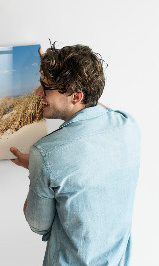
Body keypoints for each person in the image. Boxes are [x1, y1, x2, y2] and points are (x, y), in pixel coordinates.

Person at [10, 43, 141, 265]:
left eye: (46, 87)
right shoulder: (128, 125)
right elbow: (94, 106)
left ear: (76, 96)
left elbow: (38, 225)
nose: (37, 93)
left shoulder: (45, 153)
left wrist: (37, 168)